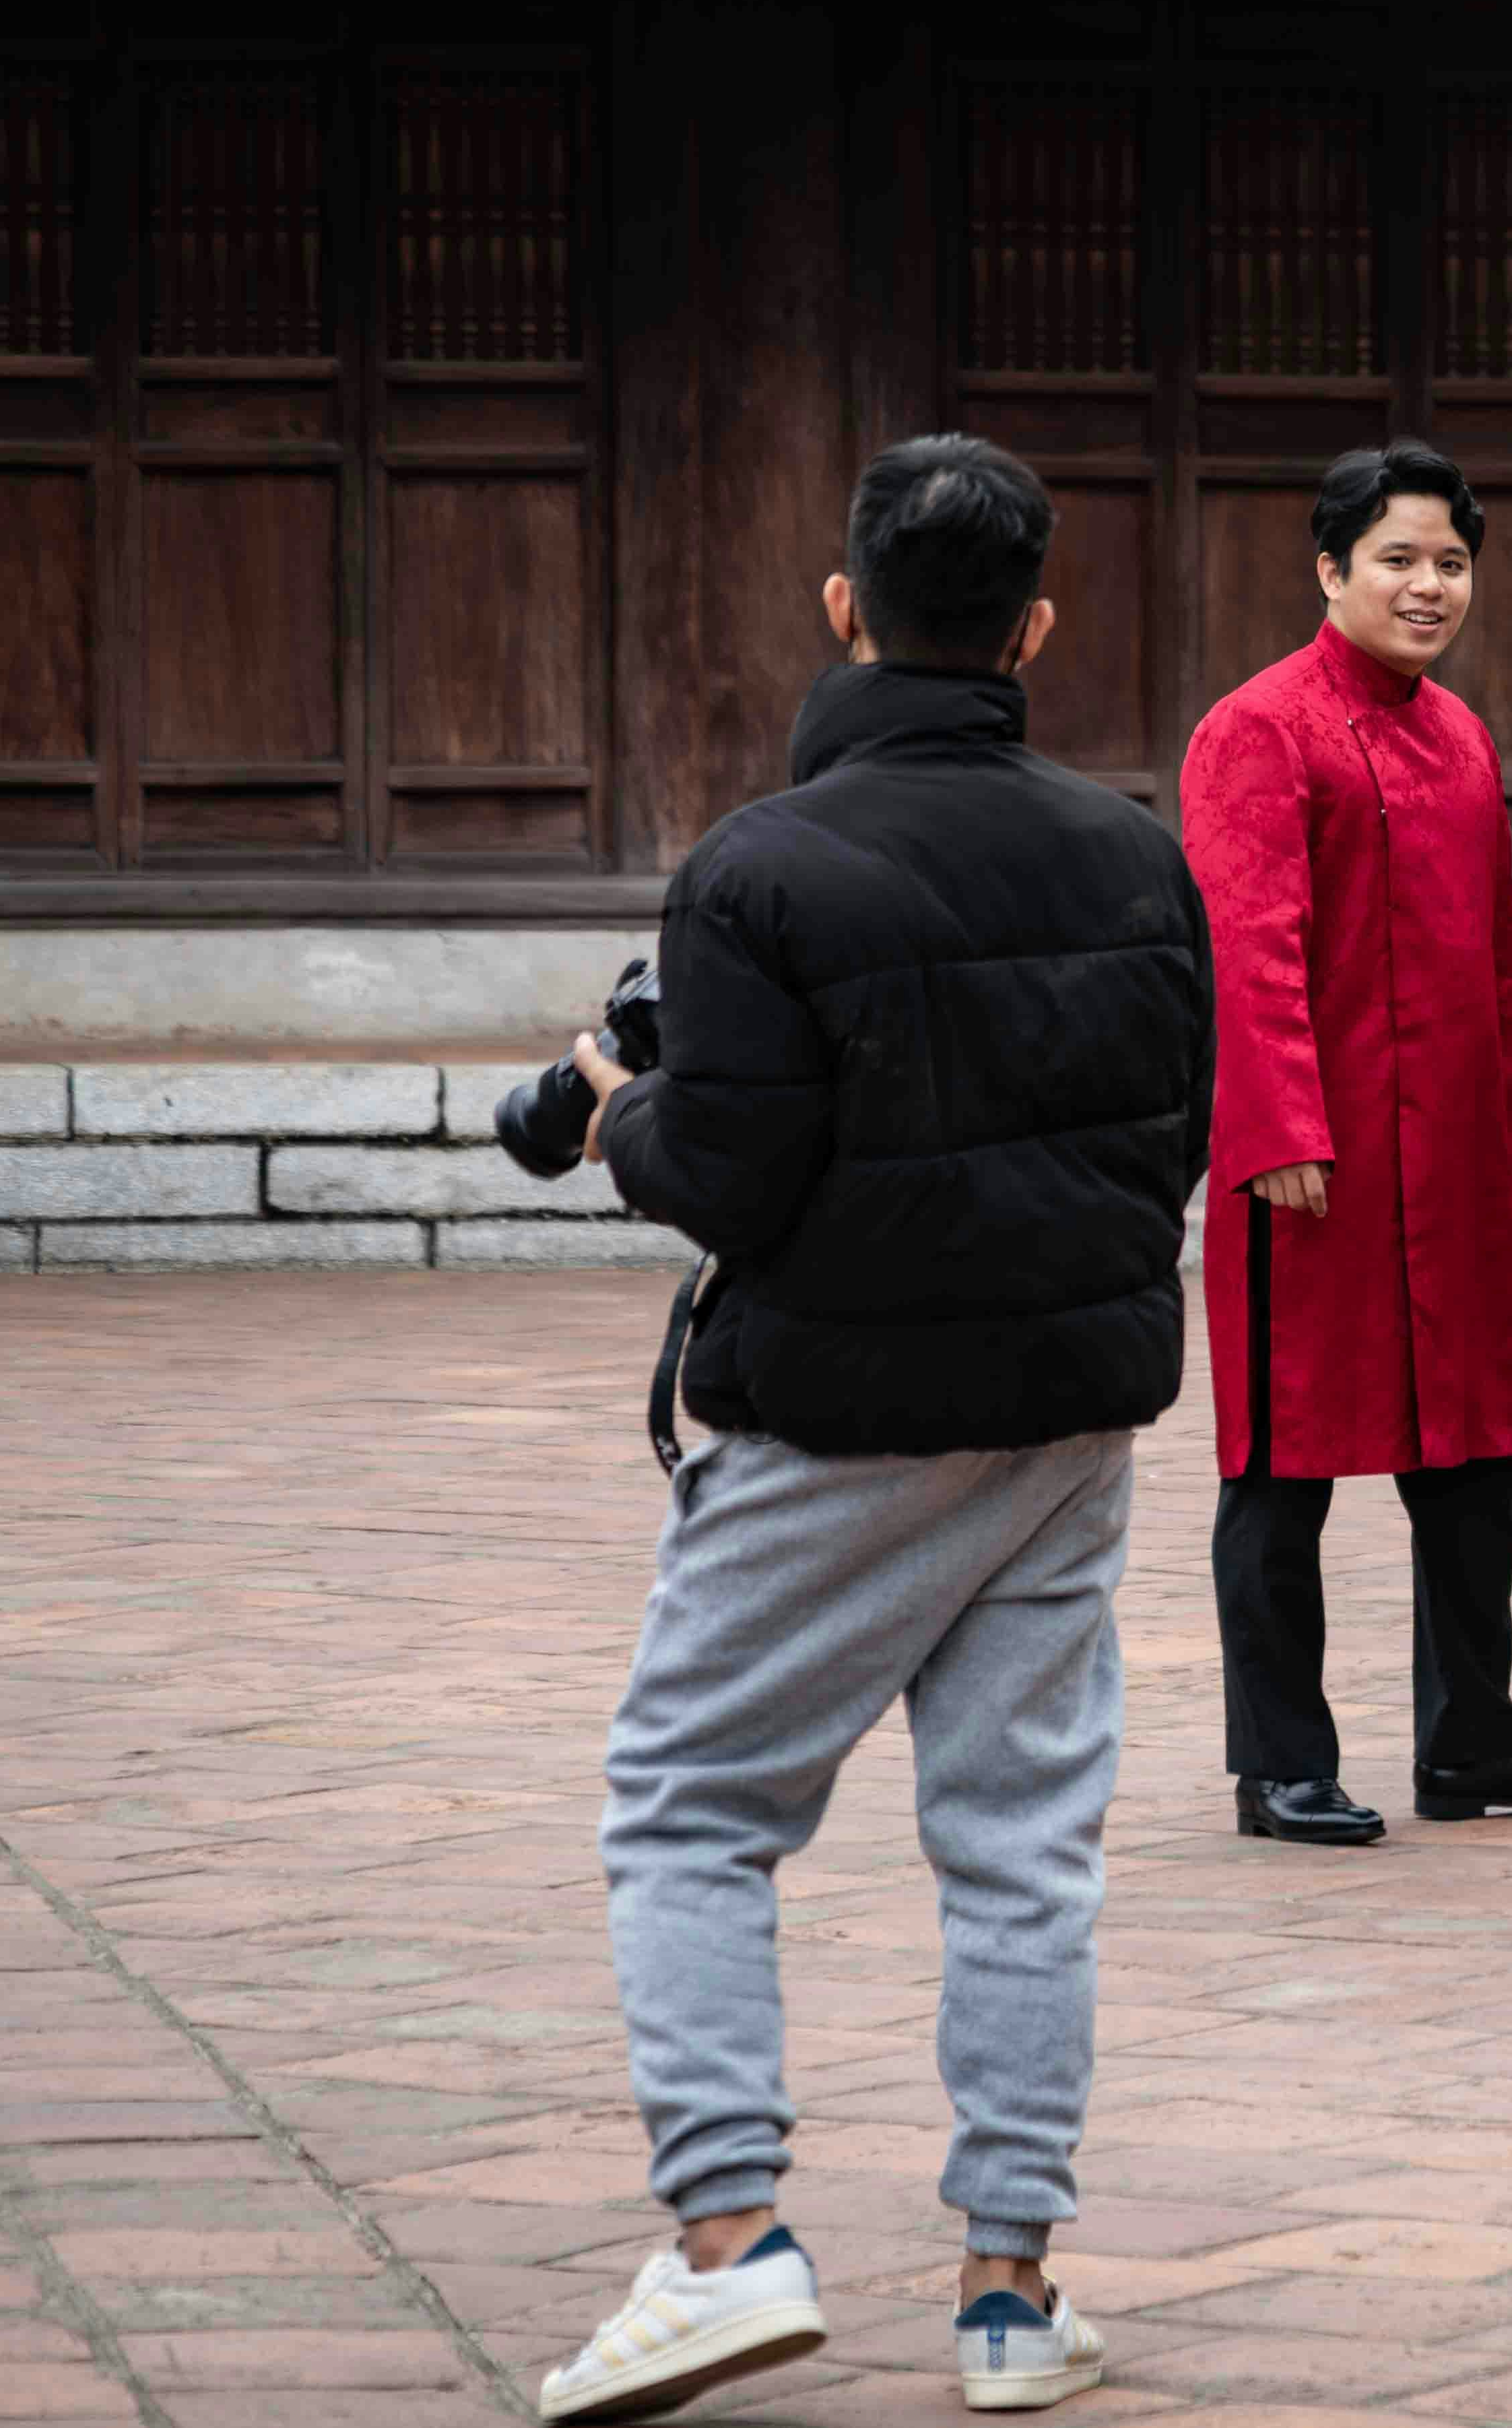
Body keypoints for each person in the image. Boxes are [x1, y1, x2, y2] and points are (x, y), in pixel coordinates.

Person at [535, 435, 1209, 2422]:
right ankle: (1010, 2293)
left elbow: (731, 1169)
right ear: (1036, 626)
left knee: (688, 1799)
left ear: (845, 610)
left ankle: (729, 2241)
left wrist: (612, 1115)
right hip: (1070, 1418)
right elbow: (1164, 1134)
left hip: (835, 1415)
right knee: (1021, 1841)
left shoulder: (756, 867)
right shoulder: (1137, 850)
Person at [1179, 440, 1512, 1847]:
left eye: (1449, 559)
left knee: (1475, 1457)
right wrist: (1270, 1127)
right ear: (1330, 570)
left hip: (1442, 1161)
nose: (1427, 584)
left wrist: (1508, 1127)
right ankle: (1279, 1761)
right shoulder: (1255, 729)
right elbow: (1242, 945)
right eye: (1396, 557)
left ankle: (1472, 1738)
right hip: (1309, 1169)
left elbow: (1490, 955)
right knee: (1282, 1468)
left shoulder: (1461, 733)